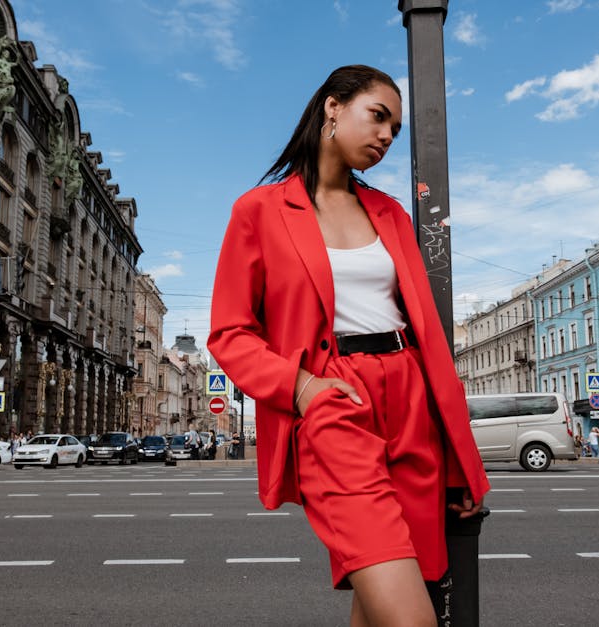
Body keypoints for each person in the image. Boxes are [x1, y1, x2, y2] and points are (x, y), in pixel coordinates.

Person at [207, 64, 489, 627]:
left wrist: (462, 459)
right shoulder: (259, 210)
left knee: (382, 602)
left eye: (396, 128)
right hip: (334, 399)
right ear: (333, 108)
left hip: (409, 397)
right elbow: (229, 333)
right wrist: (303, 388)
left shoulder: (390, 213)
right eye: (378, 116)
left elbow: (430, 336)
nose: (387, 136)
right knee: (408, 612)